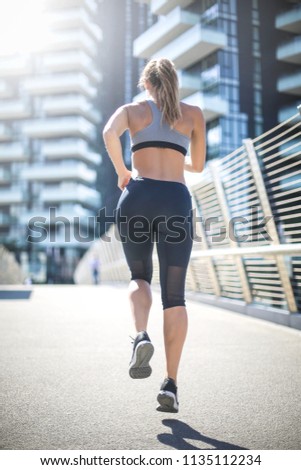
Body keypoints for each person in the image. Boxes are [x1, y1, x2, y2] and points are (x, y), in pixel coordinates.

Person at [103, 57, 206, 413]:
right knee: (175, 297)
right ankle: (171, 385)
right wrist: (175, 157)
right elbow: (199, 164)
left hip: (138, 196)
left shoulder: (132, 110)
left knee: (139, 277)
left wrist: (122, 170)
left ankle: (140, 336)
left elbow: (108, 133)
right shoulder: (193, 114)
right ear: (174, 82)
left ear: (147, 84)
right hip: (175, 200)